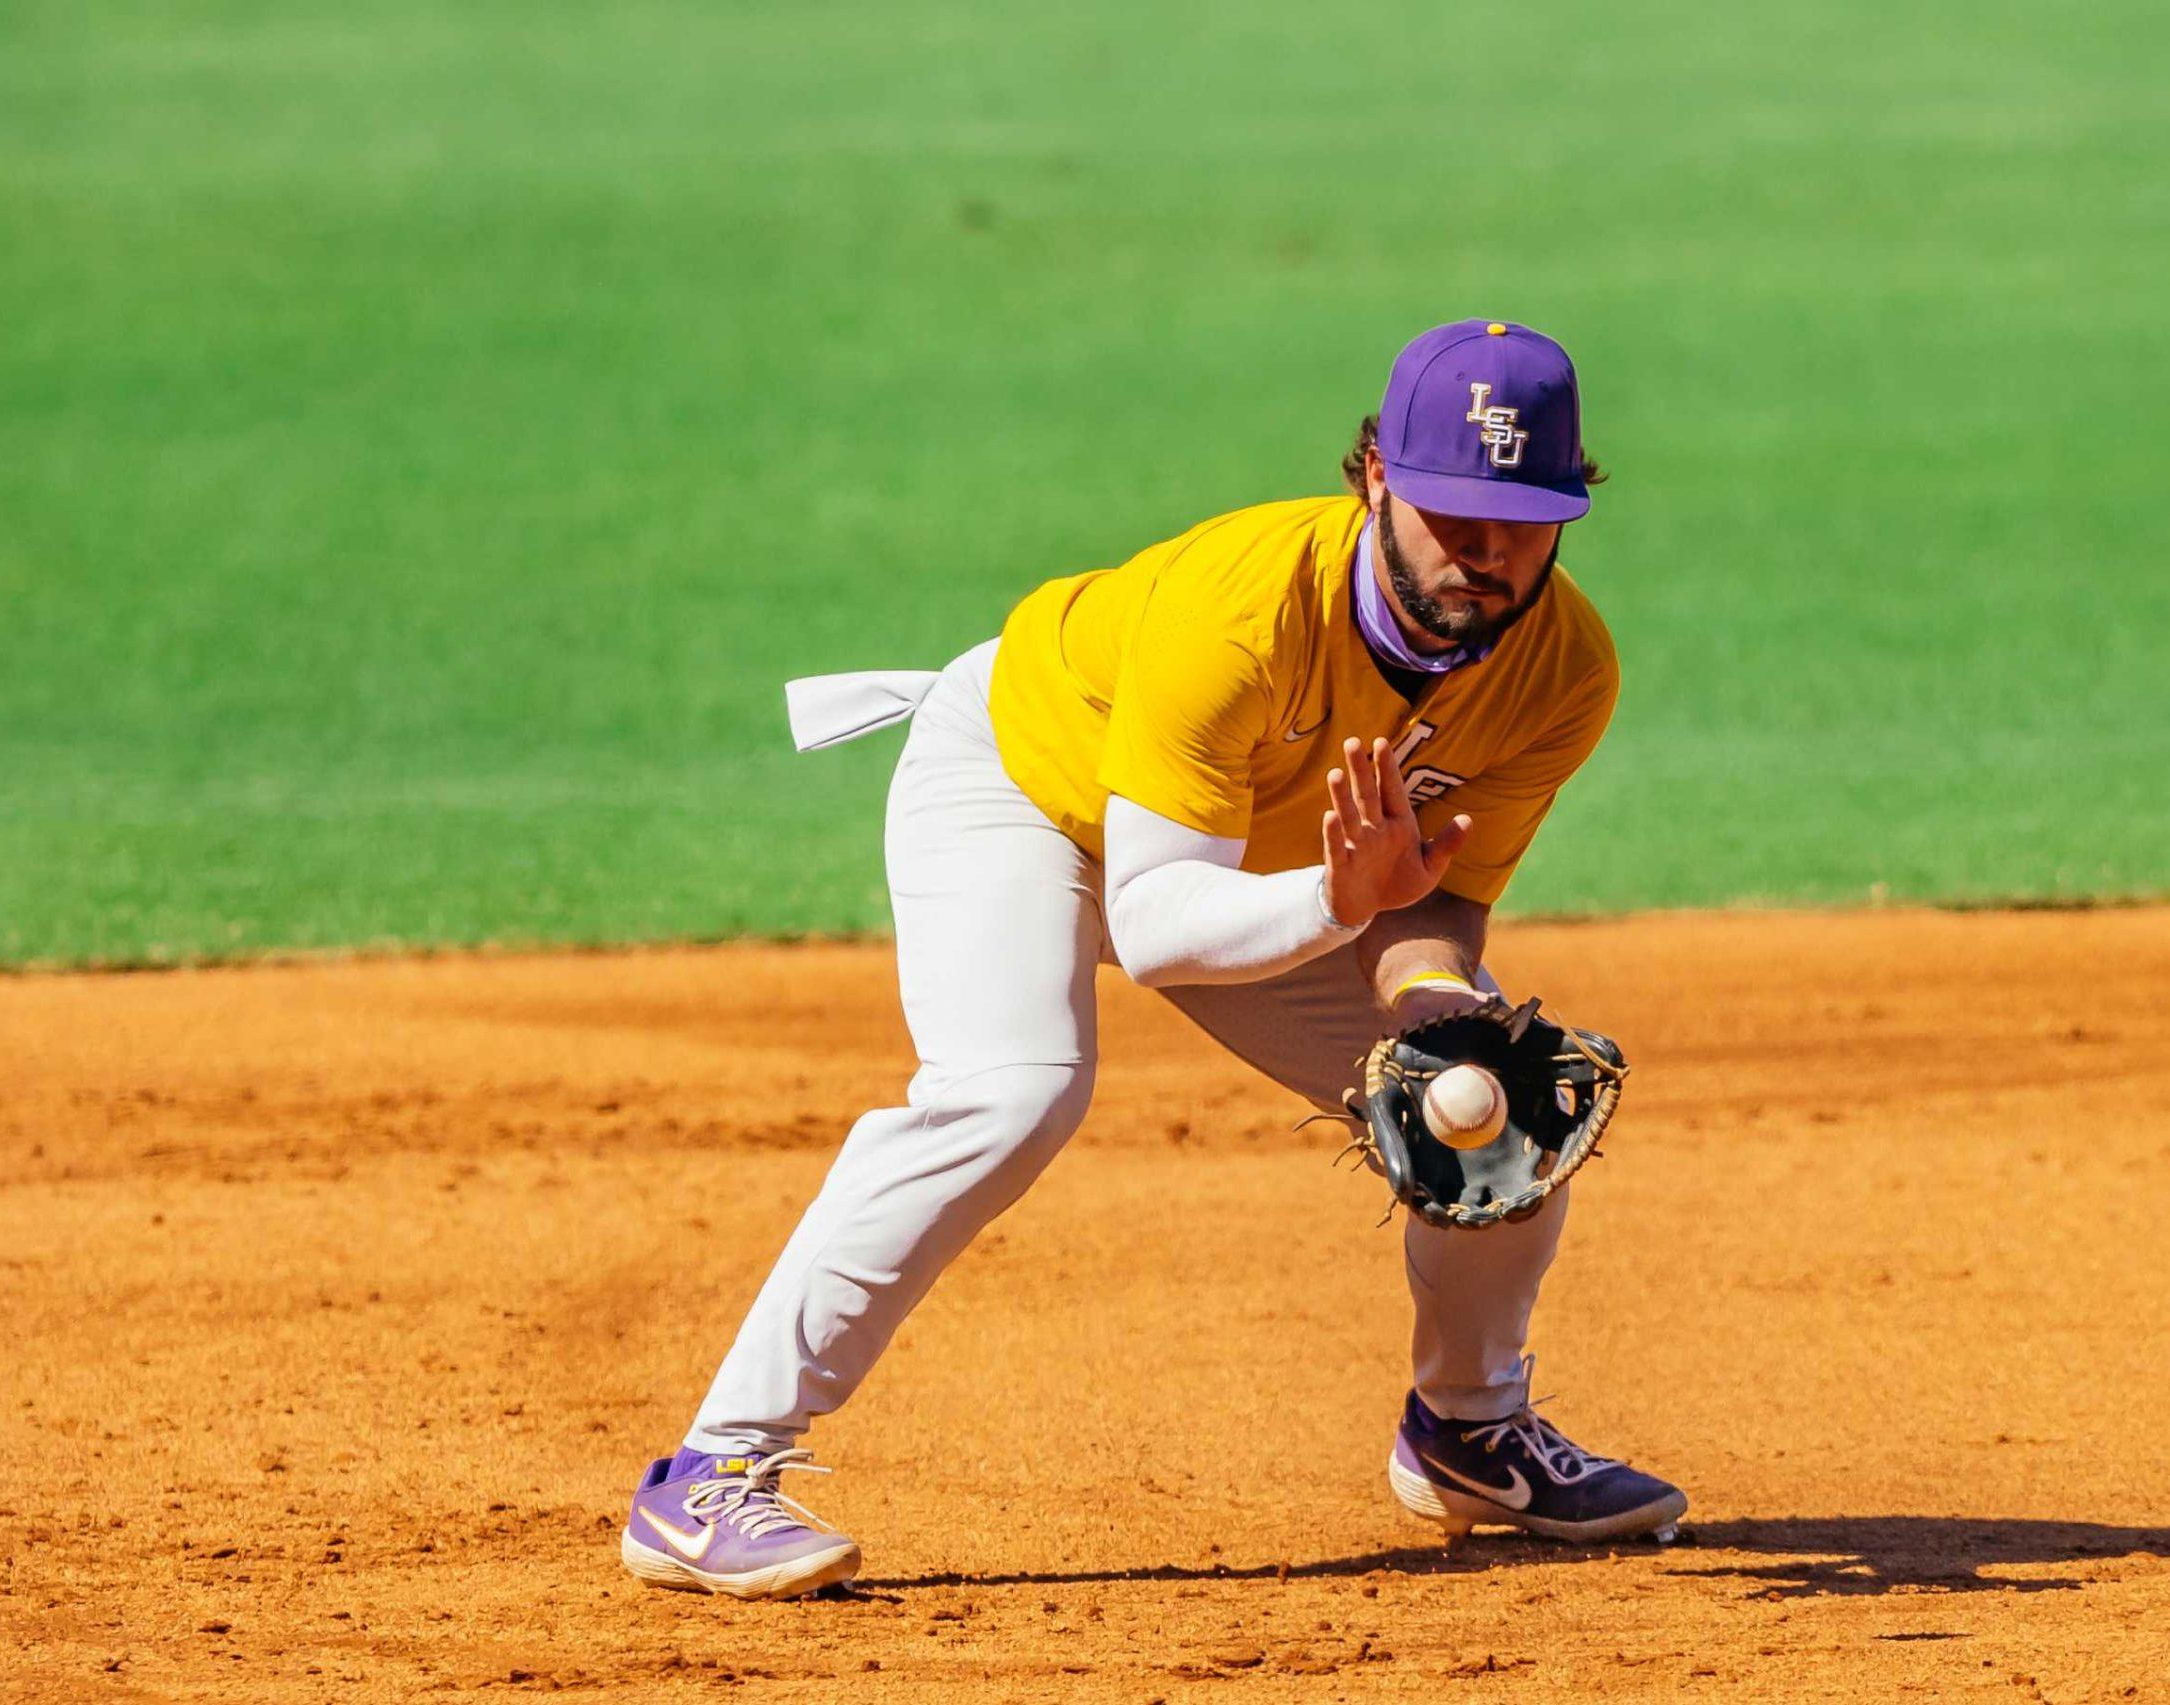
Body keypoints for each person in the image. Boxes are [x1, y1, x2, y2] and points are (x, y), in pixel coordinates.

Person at [620, 320, 1685, 1600]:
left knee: (1497, 1117)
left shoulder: (1563, 669)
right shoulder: (1242, 612)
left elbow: (1433, 900)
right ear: (1376, 482)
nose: (1484, 546)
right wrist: (1338, 896)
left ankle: (1467, 1434)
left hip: (1273, 877)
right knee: (1011, 1091)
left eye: (1519, 515)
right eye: (1451, 508)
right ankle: (708, 1473)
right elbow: (1161, 924)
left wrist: (1437, 1007)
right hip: (1024, 786)